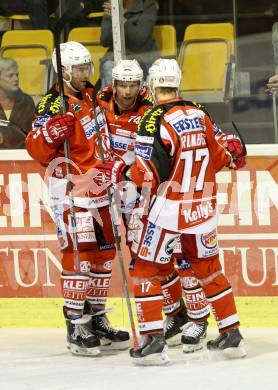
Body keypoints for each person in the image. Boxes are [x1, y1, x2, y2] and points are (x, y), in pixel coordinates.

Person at [101, 58, 247, 365]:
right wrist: (234, 153)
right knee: (208, 269)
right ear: (177, 83)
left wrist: (121, 172)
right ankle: (231, 333)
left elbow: (148, 172)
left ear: (153, 86)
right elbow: (221, 157)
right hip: (202, 208)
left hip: (168, 210)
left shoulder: (153, 119)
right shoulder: (200, 113)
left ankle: (153, 342)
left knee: (144, 269)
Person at [25, 41, 130, 357]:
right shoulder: (53, 104)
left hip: (99, 189)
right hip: (72, 192)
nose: (86, 73)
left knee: (104, 253)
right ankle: (76, 323)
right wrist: (50, 134)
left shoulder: (91, 98)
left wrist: (112, 163)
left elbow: (101, 140)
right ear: (65, 70)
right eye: (80, 68)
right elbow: (36, 149)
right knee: (79, 255)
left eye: (88, 66)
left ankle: (96, 318)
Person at [100, 0, 159, 87]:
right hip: (116, 58)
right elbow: (105, 41)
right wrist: (110, 19)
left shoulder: (148, 6)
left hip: (142, 58)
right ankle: (111, 98)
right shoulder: (113, 6)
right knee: (108, 67)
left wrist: (121, 18)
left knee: (111, 68)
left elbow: (139, 39)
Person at [0, 57, 35, 149]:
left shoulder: (26, 102)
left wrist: (4, 135)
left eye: (17, 75)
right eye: (10, 75)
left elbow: (29, 136)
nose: (16, 79)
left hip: (22, 156)